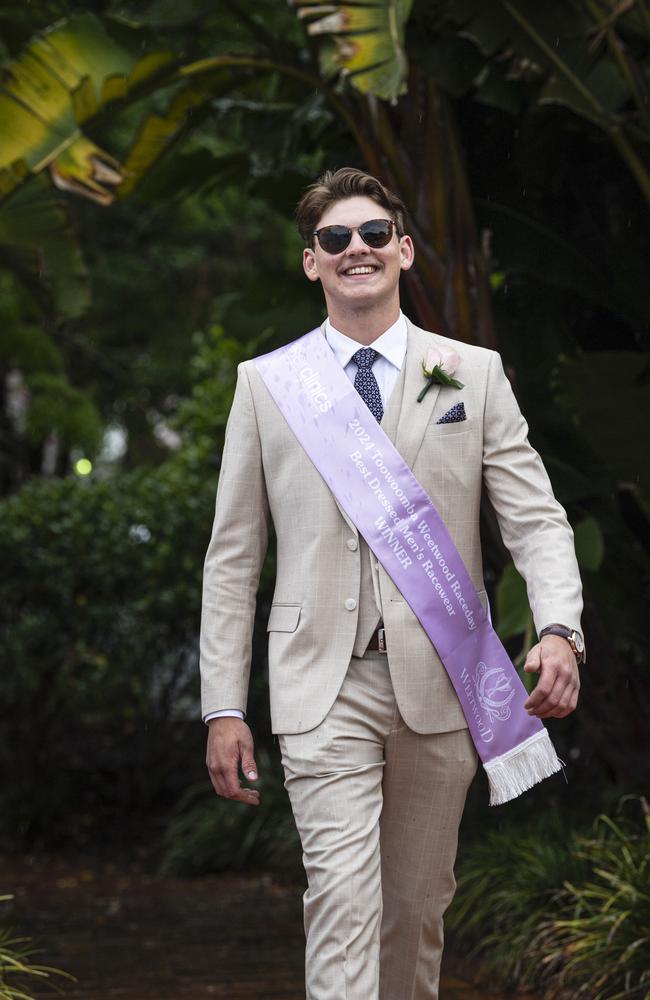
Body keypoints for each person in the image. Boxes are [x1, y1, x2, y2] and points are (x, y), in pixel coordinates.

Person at [199, 167, 584, 1000]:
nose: (356, 249)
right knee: (340, 901)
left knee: (414, 908)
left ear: (404, 250)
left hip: (441, 683)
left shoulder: (471, 374)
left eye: (374, 234)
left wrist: (558, 627)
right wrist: (224, 706)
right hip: (319, 685)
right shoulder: (268, 386)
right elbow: (233, 558)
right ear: (313, 263)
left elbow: (535, 519)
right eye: (335, 239)